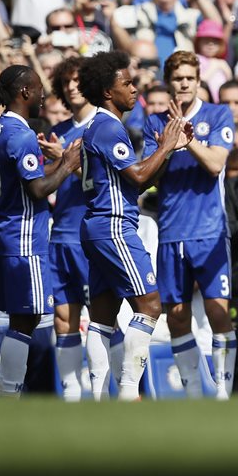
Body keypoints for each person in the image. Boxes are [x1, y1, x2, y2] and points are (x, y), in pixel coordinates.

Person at [78, 50, 193, 401]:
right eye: (126, 83)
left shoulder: (98, 127)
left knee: (103, 315)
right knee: (150, 305)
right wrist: (168, 145)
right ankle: (129, 392)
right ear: (108, 92)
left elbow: (138, 184)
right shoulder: (109, 127)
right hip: (114, 226)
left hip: (97, 225)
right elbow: (140, 174)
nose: (134, 90)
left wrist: (166, 152)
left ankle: (97, 397)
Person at [144, 51, 236, 399]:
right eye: (178, 78)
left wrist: (189, 139)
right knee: (178, 316)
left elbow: (215, 164)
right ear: (169, 82)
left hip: (209, 230)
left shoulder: (217, 114)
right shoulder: (155, 122)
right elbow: (150, 177)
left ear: (198, 80)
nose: (184, 83)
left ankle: (224, 393)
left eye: (189, 77)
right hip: (171, 231)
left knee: (217, 310)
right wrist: (167, 146)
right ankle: (195, 393)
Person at [0, 66, 81, 397]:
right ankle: (8, 394)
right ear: (25, 92)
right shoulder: (22, 135)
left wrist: (60, 164)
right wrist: (69, 164)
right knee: (26, 321)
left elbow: (30, 177)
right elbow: (38, 190)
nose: (44, 96)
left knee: (22, 319)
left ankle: (7, 393)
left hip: (9, 230)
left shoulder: (1, 127)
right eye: (39, 89)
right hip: (24, 236)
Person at [47, 57, 95, 401]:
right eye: (66, 83)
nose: (72, 87)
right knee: (63, 319)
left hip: (92, 236)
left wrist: (64, 158)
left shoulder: (104, 127)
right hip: (61, 233)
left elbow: (106, 184)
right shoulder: (58, 132)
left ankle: (111, 393)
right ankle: (72, 398)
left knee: (103, 318)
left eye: (78, 81)